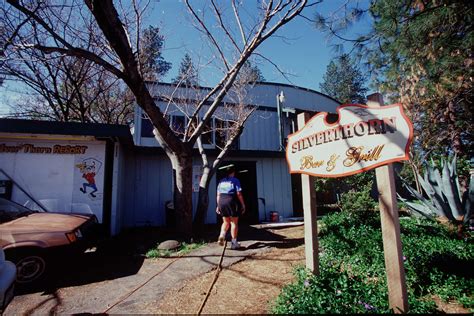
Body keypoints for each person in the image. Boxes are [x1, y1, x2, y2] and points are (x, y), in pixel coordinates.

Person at [216, 164, 246, 250]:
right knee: (234, 223)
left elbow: (218, 195)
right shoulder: (235, 180)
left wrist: (218, 206)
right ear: (233, 172)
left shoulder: (221, 181)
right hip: (231, 200)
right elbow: (239, 194)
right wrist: (243, 204)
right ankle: (234, 243)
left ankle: (222, 235)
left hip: (222, 201)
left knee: (225, 222)